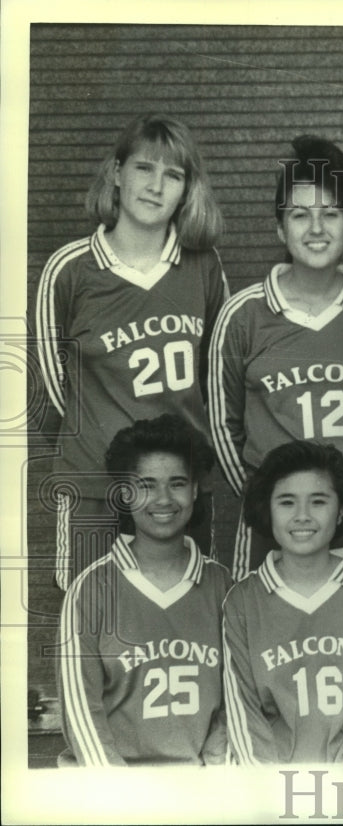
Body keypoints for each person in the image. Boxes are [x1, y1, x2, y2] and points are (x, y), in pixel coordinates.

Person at [35, 113, 228, 590]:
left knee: (184, 631)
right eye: (144, 168)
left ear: (187, 191)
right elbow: (46, 393)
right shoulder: (70, 270)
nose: (156, 186)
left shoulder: (203, 268)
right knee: (94, 627)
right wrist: (101, 440)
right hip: (96, 490)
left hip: (178, 490)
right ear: (117, 173)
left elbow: (216, 379)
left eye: (174, 175)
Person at [209, 134, 343, 581]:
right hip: (275, 529)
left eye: (330, 214)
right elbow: (222, 425)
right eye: (300, 215)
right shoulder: (244, 314)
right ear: (279, 228)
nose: (316, 229)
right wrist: (265, 503)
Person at [58, 414, 230, 766]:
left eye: (177, 483)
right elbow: (80, 710)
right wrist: (124, 794)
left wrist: (213, 777)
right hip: (114, 793)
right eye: (146, 484)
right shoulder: (90, 590)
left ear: (195, 490)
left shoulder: (224, 588)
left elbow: (238, 699)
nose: (163, 498)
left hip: (204, 787)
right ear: (124, 493)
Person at [221, 440, 343, 764]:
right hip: (271, 793)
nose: (302, 516)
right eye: (286, 502)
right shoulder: (242, 603)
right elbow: (243, 715)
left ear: (340, 510)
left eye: (318, 501)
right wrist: (272, 795)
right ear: (267, 509)